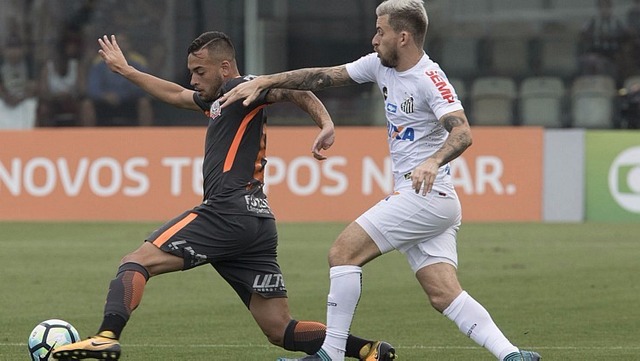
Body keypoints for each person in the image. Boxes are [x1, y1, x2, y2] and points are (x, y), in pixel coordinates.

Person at [220, 1, 542, 360]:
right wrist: (268, 80)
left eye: (380, 31)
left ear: (402, 37)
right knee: (443, 293)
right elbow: (321, 77)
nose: (374, 39)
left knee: (342, 253)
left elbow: (463, 133)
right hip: (429, 199)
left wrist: (433, 161)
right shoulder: (379, 65)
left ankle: (331, 354)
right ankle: (512, 355)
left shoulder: (429, 79)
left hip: (426, 194)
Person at [51, 31, 394, 361]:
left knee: (136, 262)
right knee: (279, 328)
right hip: (256, 223)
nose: (193, 80)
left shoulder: (243, 87)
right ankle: (368, 350)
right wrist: (126, 71)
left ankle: (106, 337)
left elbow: (292, 89)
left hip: (226, 212)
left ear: (225, 68)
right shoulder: (220, 100)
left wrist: (326, 123)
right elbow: (175, 95)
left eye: (200, 71)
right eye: (191, 72)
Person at [80, 33, 153, 126]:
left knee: (144, 103)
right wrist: (105, 96)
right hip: (104, 104)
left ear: (129, 45)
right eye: (117, 42)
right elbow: (92, 89)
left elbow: (143, 87)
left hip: (129, 103)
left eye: (123, 42)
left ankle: (146, 136)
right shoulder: (99, 66)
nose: (120, 46)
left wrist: (121, 96)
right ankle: (88, 137)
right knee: (87, 105)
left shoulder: (138, 65)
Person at [36, 28, 85, 127]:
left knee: (87, 106)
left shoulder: (76, 66)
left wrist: (70, 96)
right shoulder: (47, 68)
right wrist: (56, 97)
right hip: (53, 103)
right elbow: (42, 92)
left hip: (72, 101)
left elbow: (83, 90)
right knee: (42, 109)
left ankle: (88, 137)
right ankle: (43, 138)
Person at [578, 0, 630, 83]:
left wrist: (611, 37)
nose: (604, 10)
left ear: (610, 8)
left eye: (606, 7)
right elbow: (583, 33)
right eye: (602, 7)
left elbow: (625, 35)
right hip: (596, 51)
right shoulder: (593, 22)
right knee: (589, 61)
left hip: (613, 53)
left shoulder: (617, 22)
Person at [0, 35, 38, 129]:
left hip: (24, 98)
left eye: (16, 48)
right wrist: (6, 97)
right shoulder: (1, 62)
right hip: (5, 99)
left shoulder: (29, 63)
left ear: (22, 50)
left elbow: (33, 86)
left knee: (30, 105)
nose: (13, 52)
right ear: (4, 50)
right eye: (10, 48)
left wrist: (21, 98)